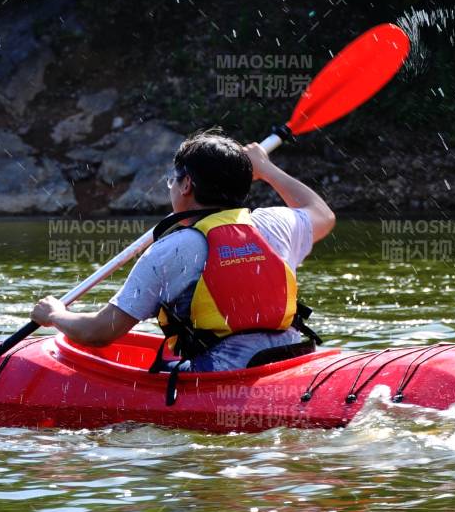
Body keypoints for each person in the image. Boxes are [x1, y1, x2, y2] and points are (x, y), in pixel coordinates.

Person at [31, 129, 335, 372]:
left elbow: (99, 332)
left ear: (186, 184)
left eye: (172, 181)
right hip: (288, 362)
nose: (171, 187)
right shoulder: (276, 224)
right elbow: (322, 213)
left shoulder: (171, 250)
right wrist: (267, 169)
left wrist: (56, 314)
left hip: (220, 380)